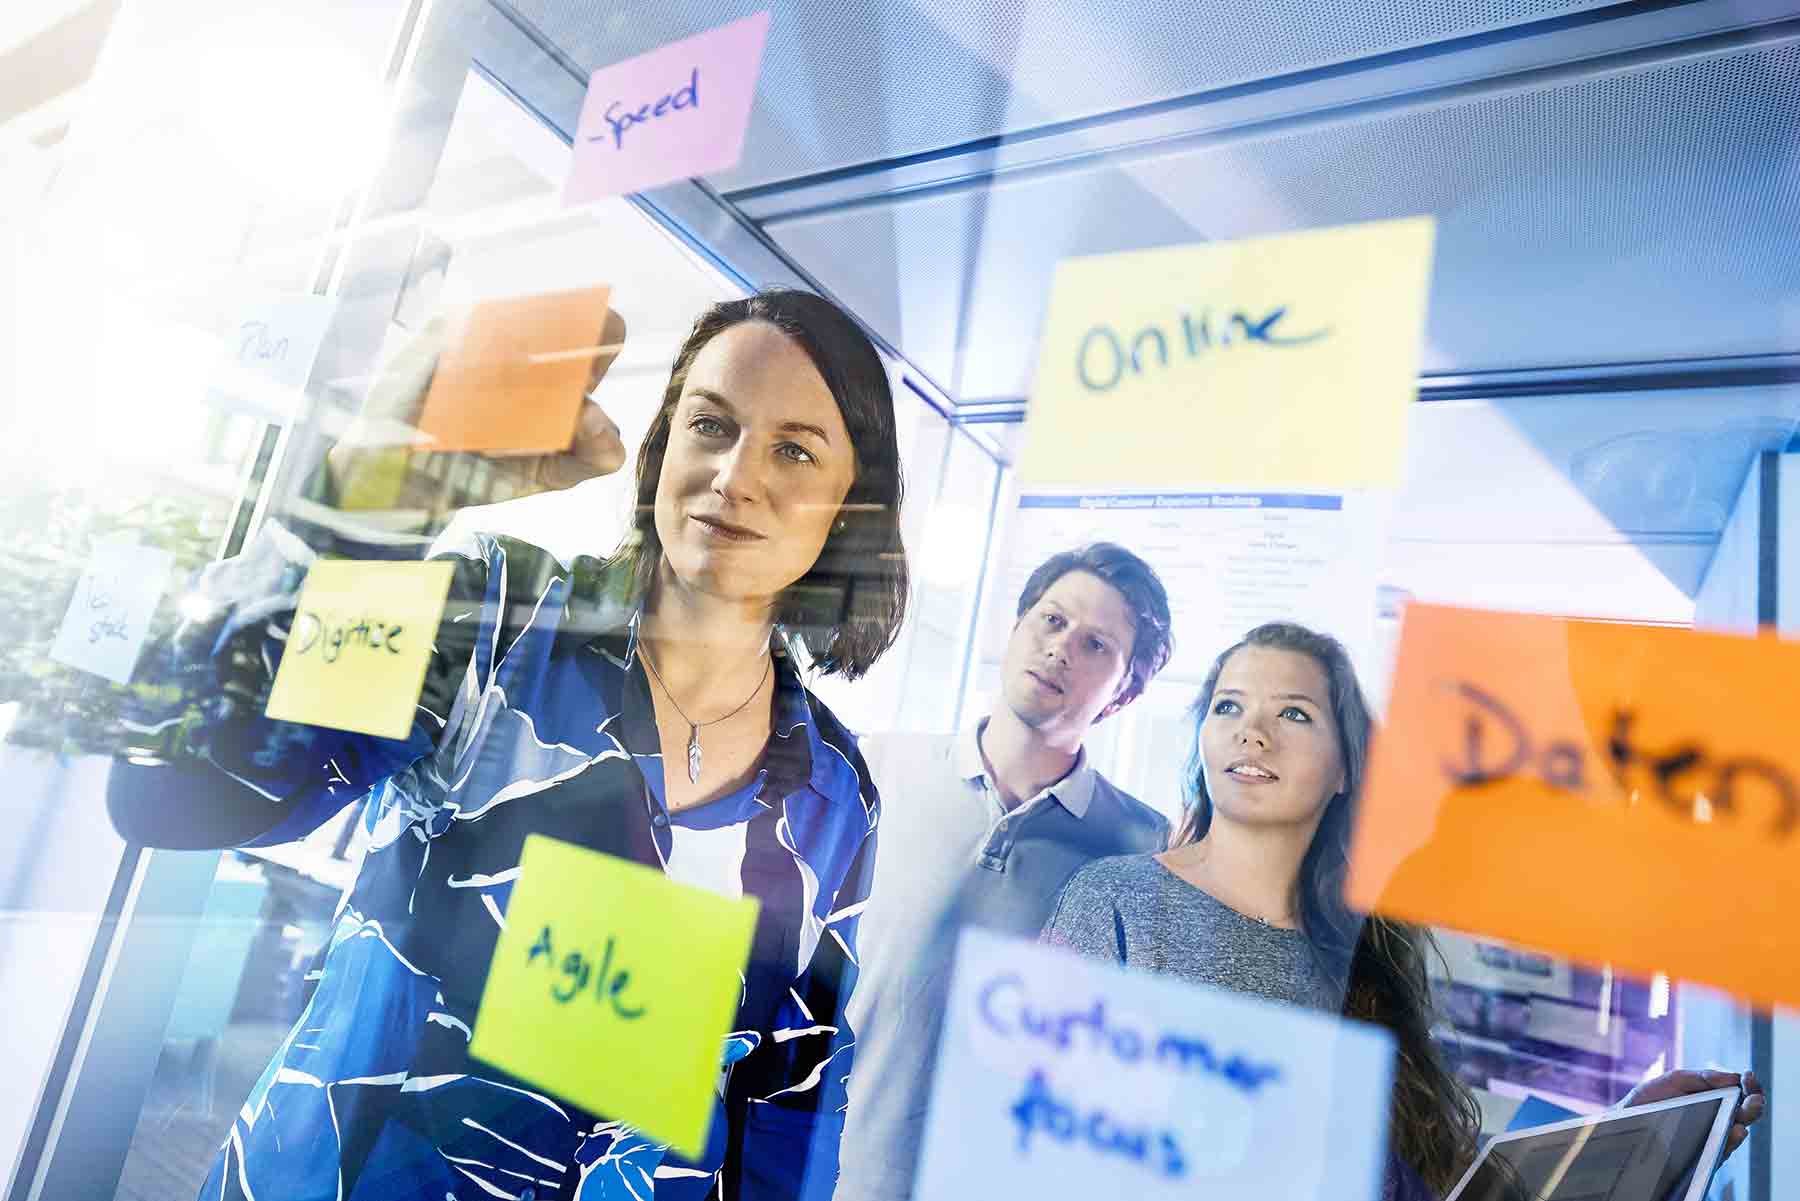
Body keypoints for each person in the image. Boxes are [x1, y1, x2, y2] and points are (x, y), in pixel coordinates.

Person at [107, 289, 910, 1201]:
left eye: (795, 450)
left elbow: (784, 1109)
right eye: (711, 425)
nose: (734, 475)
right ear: (660, 452)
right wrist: (365, 507)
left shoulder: (833, 793)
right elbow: (175, 790)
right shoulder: (497, 621)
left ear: (852, 509)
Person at [1043, 620, 1767, 1200]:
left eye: (1292, 712)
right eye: (1228, 704)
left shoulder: (1361, 961)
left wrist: (1632, 1130)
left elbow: (1444, 1183)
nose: (1250, 730)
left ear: (1346, 768)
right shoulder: (1116, 900)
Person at [834, 543, 1174, 1201]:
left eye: (1097, 644)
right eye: (1051, 620)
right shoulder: (875, 770)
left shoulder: (1146, 850)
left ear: (1124, 692)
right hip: (818, 1173)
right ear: (1014, 629)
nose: (1062, 648)